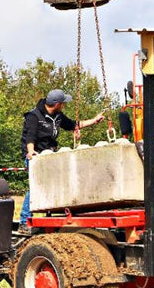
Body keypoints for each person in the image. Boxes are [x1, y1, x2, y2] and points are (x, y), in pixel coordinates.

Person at [18, 89, 104, 226]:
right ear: (57, 104)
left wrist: (94, 120)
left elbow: (74, 125)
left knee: (57, 183)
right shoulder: (34, 116)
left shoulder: (58, 116)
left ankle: (52, 215)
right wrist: (30, 152)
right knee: (36, 187)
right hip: (35, 156)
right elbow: (30, 136)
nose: (64, 105)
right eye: (63, 103)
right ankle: (24, 220)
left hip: (50, 155)